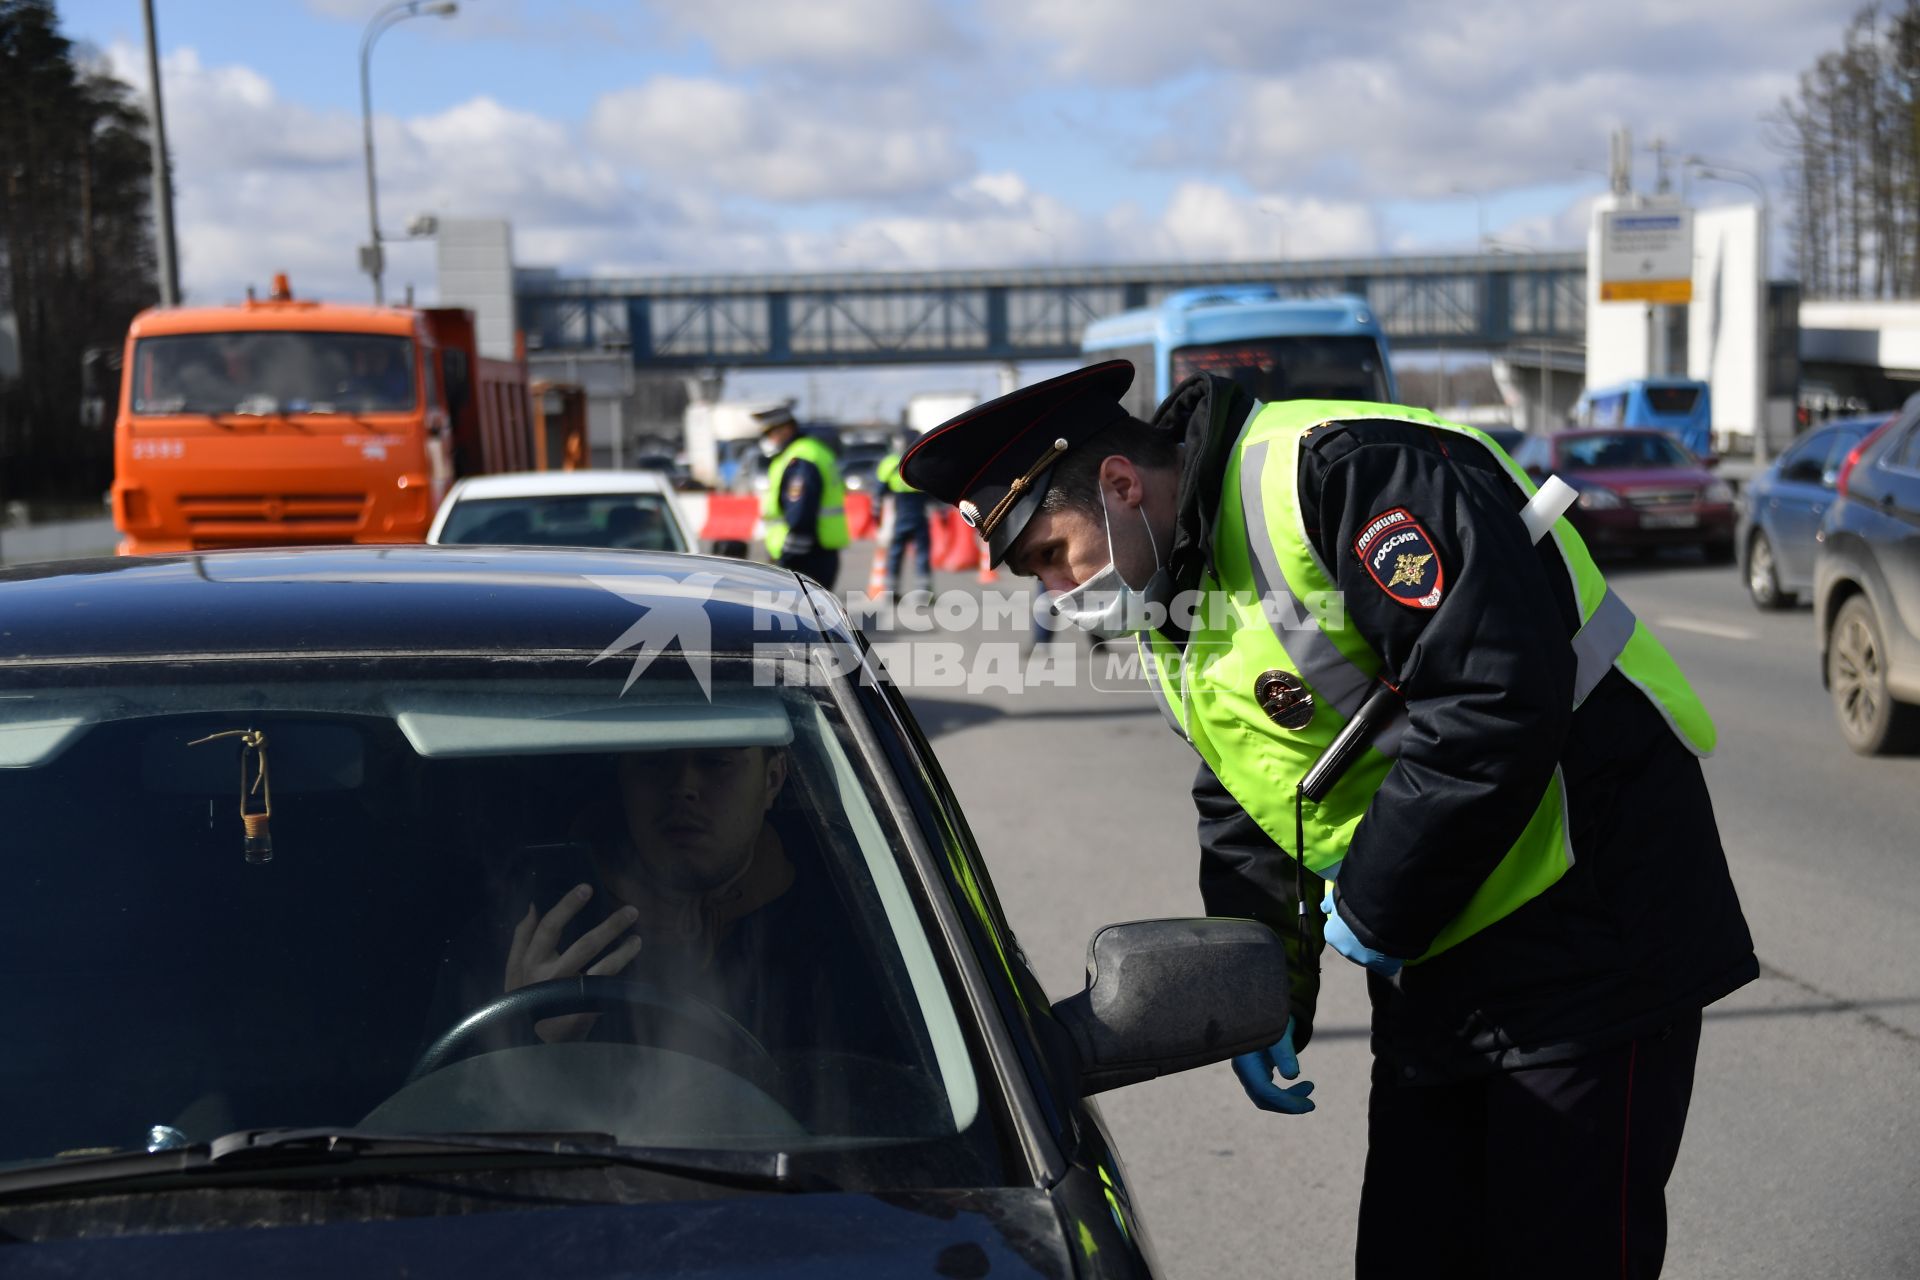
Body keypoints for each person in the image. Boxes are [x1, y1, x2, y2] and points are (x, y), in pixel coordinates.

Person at [899, 361, 1757, 1279]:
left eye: (1050, 555)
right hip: (1443, 950)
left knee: (1559, 1252)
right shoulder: (1168, 580)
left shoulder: (1346, 475)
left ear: (1117, 486)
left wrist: (1377, 907)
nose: (1056, 593)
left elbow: (1491, 697)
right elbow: (1249, 785)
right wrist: (1262, 983)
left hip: (1592, 920)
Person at [756, 405, 847, 589]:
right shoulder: (811, 451)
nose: (770, 439)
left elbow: (801, 512)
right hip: (817, 552)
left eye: (771, 433)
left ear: (787, 429)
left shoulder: (800, 459)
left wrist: (787, 558)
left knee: (799, 614)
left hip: (805, 557)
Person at [876, 437, 933, 597]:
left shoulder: (890, 463)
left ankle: (890, 591)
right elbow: (934, 493)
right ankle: (924, 593)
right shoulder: (923, 463)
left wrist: (877, 519)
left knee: (895, 554)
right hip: (919, 515)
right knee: (921, 553)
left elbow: (880, 491)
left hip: (900, 515)